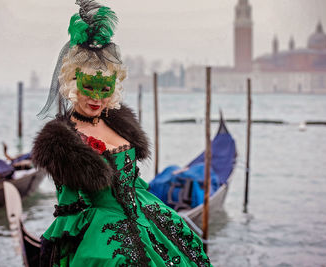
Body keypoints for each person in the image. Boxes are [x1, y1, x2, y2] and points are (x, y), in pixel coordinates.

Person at [32, 1, 212, 266]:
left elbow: (134, 183)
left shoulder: (119, 122)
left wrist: (156, 213)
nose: (96, 98)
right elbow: (68, 209)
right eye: (88, 87)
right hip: (100, 232)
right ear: (72, 83)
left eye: (104, 89)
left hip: (143, 214)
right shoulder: (60, 142)